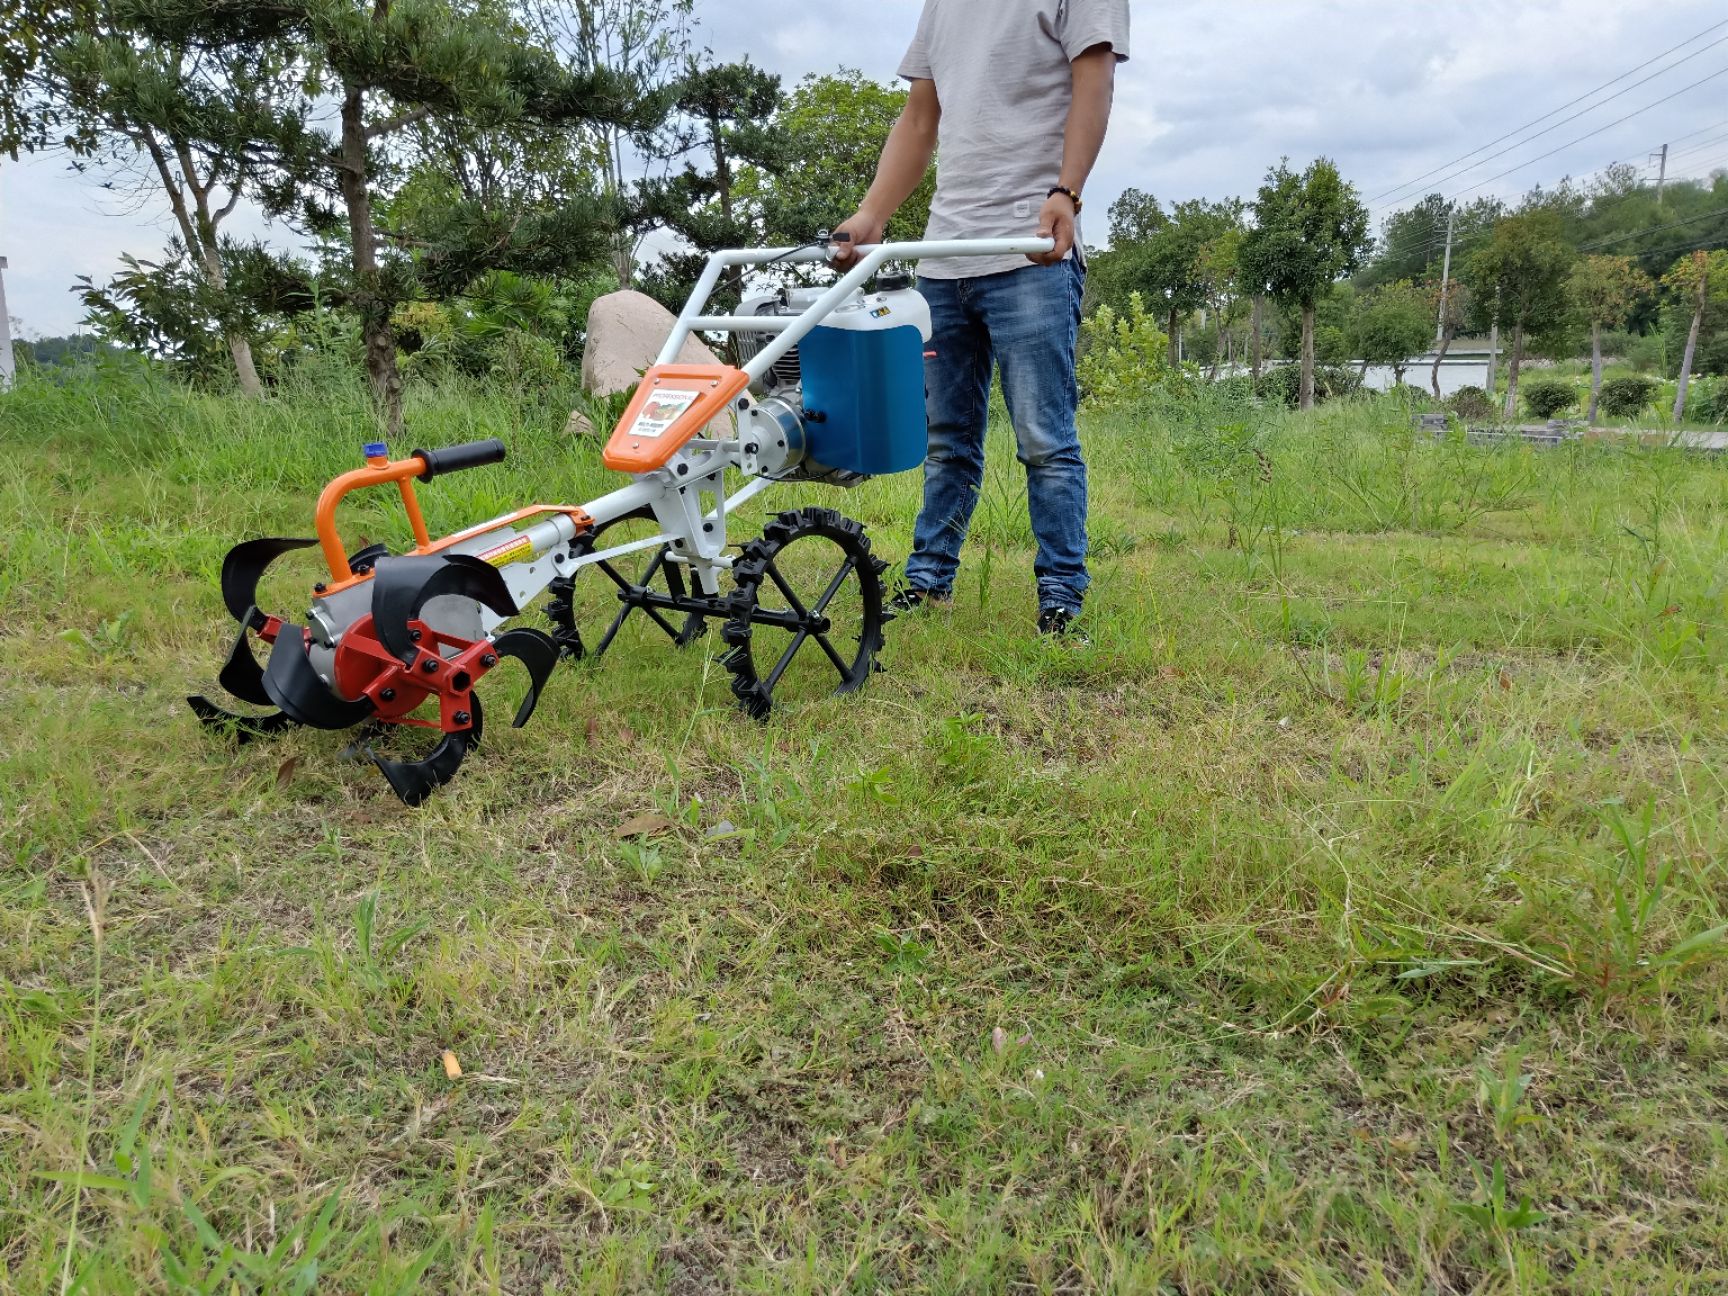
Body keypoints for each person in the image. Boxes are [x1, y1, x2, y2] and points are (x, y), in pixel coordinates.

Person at [832, 0, 1129, 636]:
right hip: (943, 256)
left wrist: (1067, 191)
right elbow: (919, 118)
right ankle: (929, 580)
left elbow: (1095, 77)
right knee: (945, 439)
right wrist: (872, 215)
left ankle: (1061, 596)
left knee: (1044, 440)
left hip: (1032, 252)